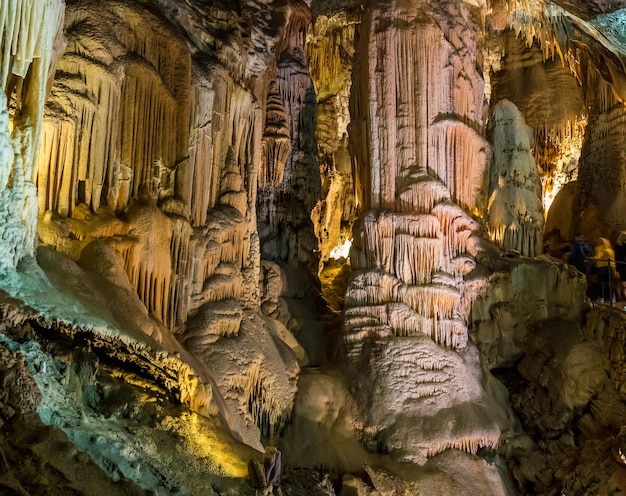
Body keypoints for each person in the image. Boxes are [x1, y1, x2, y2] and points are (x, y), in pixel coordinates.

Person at [594, 237, 616, 303]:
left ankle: (601, 298)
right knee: (610, 283)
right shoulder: (611, 250)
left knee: (601, 283)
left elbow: (599, 256)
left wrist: (593, 258)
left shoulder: (600, 248)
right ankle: (612, 298)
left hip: (602, 267)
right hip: (611, 267)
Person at [615, 232, 626, 301]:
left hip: (622, 267)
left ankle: (621, 298)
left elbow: (617, 258)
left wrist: (617, 270)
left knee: (622, 284)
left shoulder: (618, 246)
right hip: (624, 267)